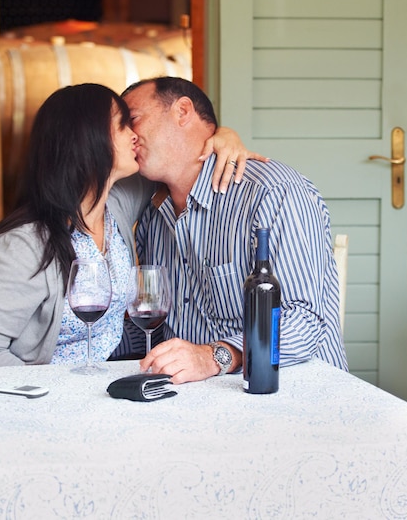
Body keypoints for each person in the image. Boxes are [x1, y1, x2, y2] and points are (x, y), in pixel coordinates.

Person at [0, 83, 260, 368]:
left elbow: (177, 159)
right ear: (87, 139)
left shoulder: (115, 206)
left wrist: (223, 136)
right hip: (26, 397)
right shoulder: (25, 245)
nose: (134, 134)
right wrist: (56, 395)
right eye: (123, 125)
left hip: (91, 385)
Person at [121, 76, 348, 384]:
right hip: (192, 397)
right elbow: (150, 327)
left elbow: (303, 320)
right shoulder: (151, 212)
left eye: (133, 119)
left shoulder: (273, 193)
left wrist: (215, 356)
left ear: (182, 111)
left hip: (291, 391)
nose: (129, 136)